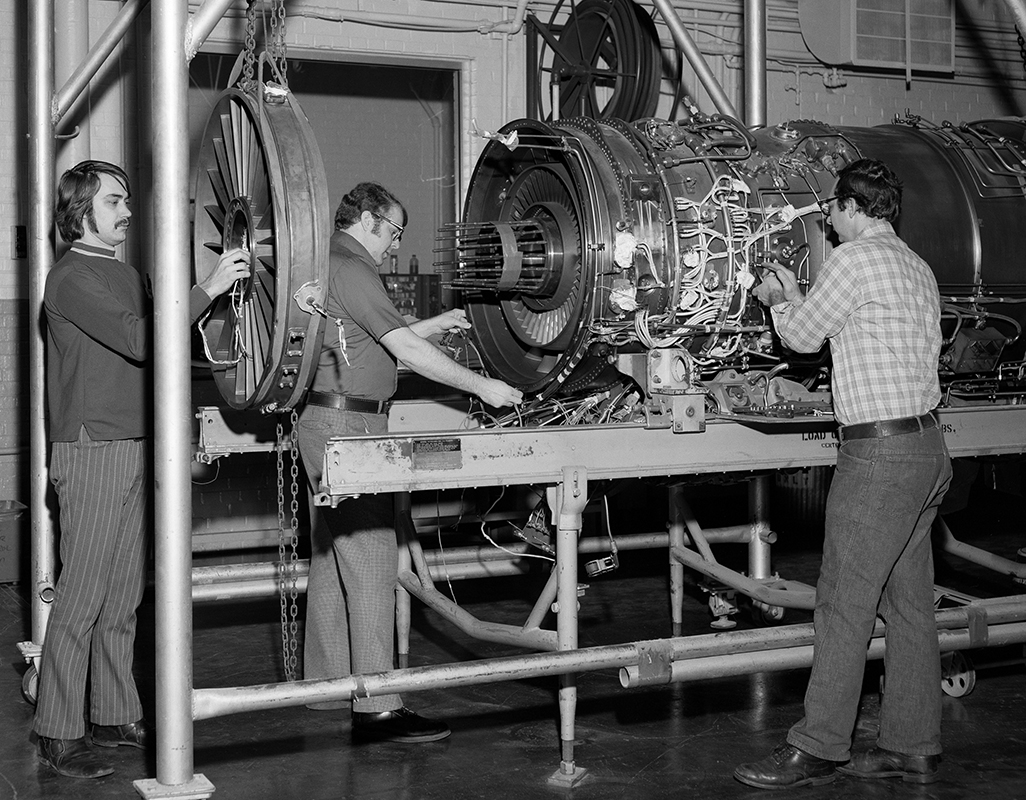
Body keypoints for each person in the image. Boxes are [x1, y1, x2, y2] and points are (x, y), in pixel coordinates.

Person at [735, 158, 952, 789]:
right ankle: (913, 744)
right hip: (926, 448)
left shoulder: (853, 261)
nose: (827, 222)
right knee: (908, 602)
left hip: (879, 458)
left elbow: (803, 338)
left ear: (854, 209)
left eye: (832, 210)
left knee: (843, 603)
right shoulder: (916, 265)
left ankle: (820, 745)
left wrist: (779, 297)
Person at [36, 160, 251, 779]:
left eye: (128, 199)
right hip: (94, 447)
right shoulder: (70, 278)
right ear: (80, 210)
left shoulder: (127, 273)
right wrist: (206, 287)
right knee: (81, 597)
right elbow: (141, 339)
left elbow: (173, 340)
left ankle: (111, 714)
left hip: (137, 443)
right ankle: (57, 728)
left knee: (125, 597)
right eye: (113, 201)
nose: (126, 210)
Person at [298, 181, 522, 744]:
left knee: (332, 556)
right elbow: (401, 350)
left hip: (329, 417)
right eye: (394, 231)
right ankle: (377, 709)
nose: (396, 246)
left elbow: (365, 340)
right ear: (369, 221)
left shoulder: (329, 261)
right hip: (348, 426)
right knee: (373, 558)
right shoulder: (353, 267)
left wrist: (432, 325)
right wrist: (485, 387)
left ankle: (326, 688)